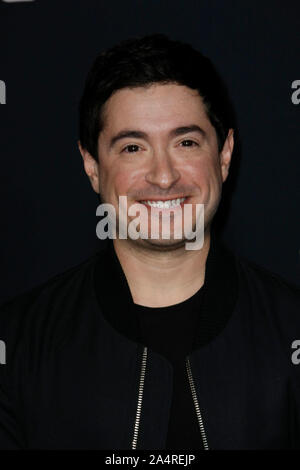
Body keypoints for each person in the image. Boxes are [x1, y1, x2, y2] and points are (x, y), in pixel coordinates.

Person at [0, 34, 300, 450]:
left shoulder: (291, 330)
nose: (163, 176)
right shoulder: (17, 346)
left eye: (186, 142)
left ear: (225, 154)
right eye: (133, 147)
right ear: (92, 166)